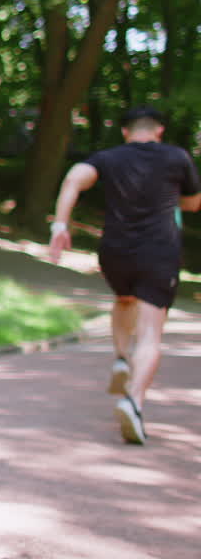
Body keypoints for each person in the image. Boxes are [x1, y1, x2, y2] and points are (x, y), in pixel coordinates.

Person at [48, 106, 201, 444]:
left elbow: (74, 177)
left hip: (114, 251)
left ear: (125, 132)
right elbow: (193, 204)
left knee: (123, 298)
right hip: (159, 252)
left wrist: (61, 224)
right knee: (150, 334)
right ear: (159, 130)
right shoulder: (177, 158)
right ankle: (133, 400)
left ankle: (120, 359)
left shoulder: (109, 158)